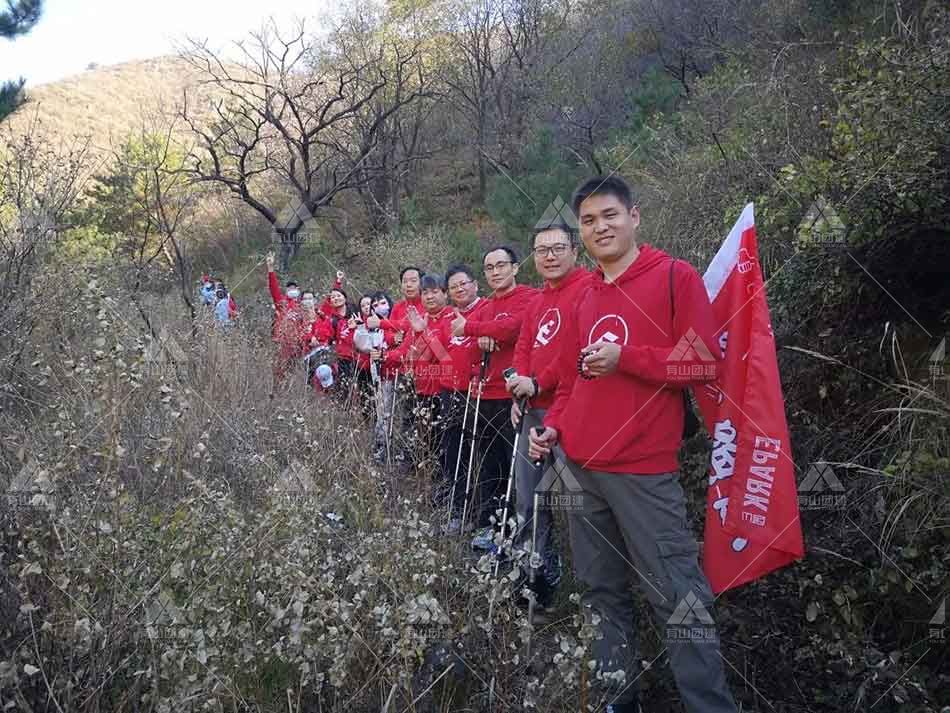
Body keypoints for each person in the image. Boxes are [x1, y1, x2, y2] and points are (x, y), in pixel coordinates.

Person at [528, 176, 737, 713]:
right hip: (581, 467)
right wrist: (555, 425)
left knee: (677, 594)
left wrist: (629, 358)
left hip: (643, 471)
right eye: (590, 220)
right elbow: (573, 379)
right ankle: (617, 698)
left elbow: (702, 362)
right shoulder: (585, 294)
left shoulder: (673, 277)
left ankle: (707, 704)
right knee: (600, 593)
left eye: (610, 216)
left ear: (634, 216)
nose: (600, 227)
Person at [505, 219, 590, 605]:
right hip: (531, 412)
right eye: (542, 250)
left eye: (558, 248)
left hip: (573, 412)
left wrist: (539, 384)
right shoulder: (538, 300)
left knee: (577, 501)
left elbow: (575, 355)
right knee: (529, 499)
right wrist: (519, 391)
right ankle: (533, 575)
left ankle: (588, 588)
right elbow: (523, 346)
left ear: (575, 250)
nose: (550, 256)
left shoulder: (588, 290)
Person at [450, 246, 538, 550]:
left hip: (513, 398)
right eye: (489, 267)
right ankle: (492, 524)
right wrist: (483, 335)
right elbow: (469, 350)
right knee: (489, 465)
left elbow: (515, 328)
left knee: (519, 470)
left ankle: (521, 533)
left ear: (515, 268)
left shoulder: (529, 297)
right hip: (483, 396)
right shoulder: (486, 306)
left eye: (501, 265)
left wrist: (478, 329)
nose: (496, 272)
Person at [433, 264, 487, 534]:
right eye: (454, 287)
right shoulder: (446, 318)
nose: (460, 289)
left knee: (482, 454)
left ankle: (484, 513)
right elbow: (440, 354)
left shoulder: (487, 310)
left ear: (475, 284)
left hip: (480, 393)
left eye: (464, 284)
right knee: (454, 451)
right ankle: (458, 510)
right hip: (449, 391)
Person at [384, 274, 453, 480]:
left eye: (434, 291)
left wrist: (424, 332)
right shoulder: (422, 320)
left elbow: (445, 357)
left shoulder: (451, 317)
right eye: (425, 293)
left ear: (445, 294)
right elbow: (407, 351)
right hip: (420, 390)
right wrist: (384, 356)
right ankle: (420, 481)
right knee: (423, 439)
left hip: (442, 392)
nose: (429, 297)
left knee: (442, 443)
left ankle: (443, 486)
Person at [266, 252, 307, 383]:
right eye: (289, 288)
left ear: (298, 289)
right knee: (279, 371)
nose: (292, 290)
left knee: (295, 373)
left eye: (294, 288)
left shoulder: (303, 305)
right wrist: (270, 269)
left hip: (299, 345)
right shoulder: (282, 303)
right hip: (282, 343)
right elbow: (273, 288)